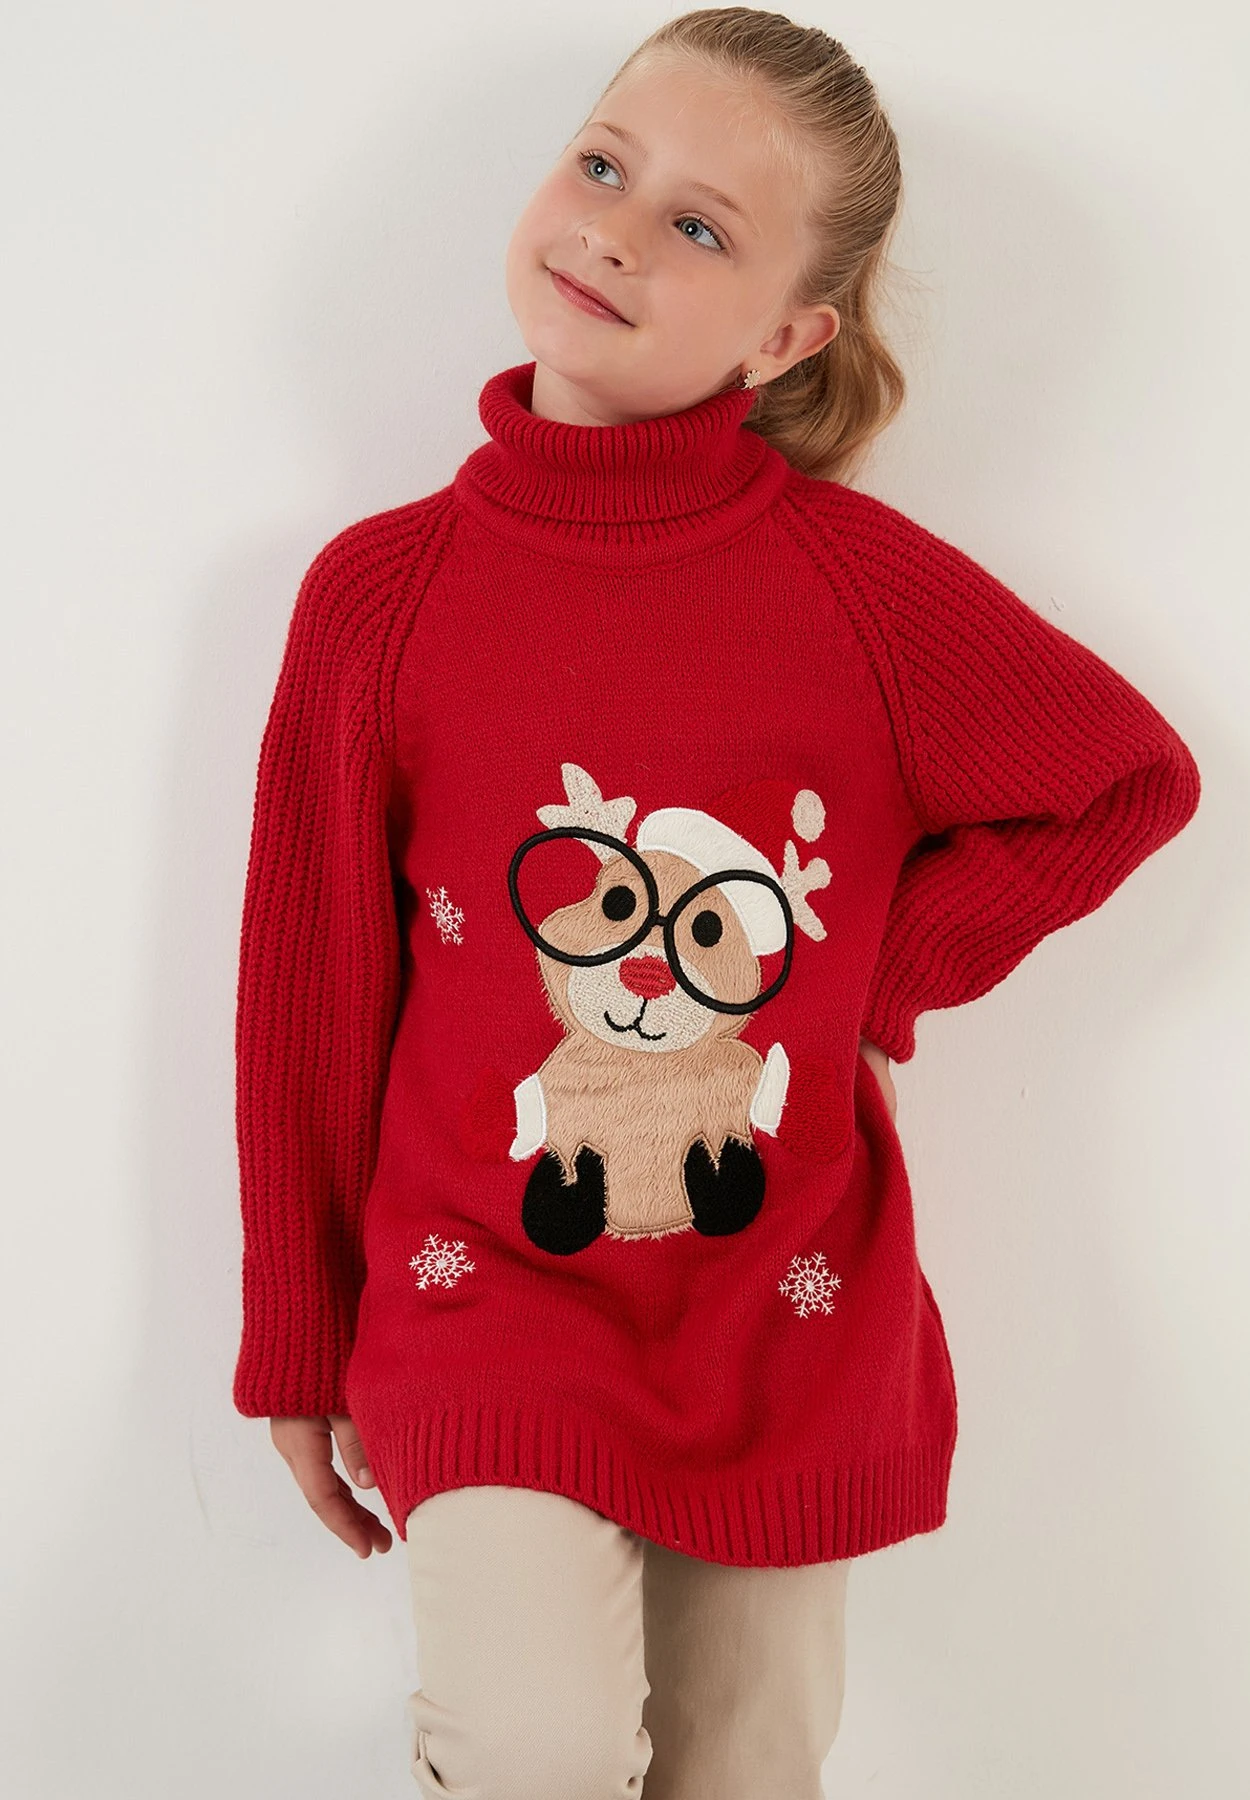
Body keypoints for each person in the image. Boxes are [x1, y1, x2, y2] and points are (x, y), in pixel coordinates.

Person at [231, 9, 1202, 1797]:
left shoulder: (858, 594)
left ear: (784, 335)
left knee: (745, 1769)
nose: (612, 230)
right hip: (484, 1297)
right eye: (601, 166)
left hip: (784, 1314)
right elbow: (309, 992)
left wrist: (875, 980)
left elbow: (1123, 778)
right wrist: (297, 1330)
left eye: (695, 225)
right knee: (530, 1749)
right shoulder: (381, 596)